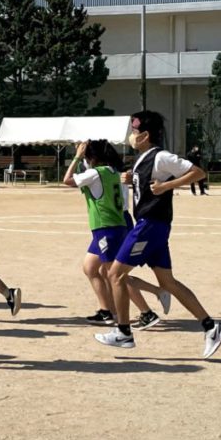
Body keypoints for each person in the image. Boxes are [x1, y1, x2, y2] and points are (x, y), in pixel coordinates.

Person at [96, 111, 221, 358]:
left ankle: (123, 332)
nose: (131, 136)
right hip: (153, 225)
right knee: (167, 283)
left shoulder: (161, 156)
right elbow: (148, 185)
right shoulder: (143, 159)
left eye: (134, 131)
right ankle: (211, 327)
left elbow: (198, 172)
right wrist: (132, 179)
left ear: (145, 135)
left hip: (150, 225)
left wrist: (167, 186)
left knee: (114, 274)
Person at [62, 139, 170, 330]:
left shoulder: (98, 173)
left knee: (114, 274)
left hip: (109, 225)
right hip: (114, 223)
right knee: (90, 268)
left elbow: (68, 180)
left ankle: (147, 310)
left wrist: (77, 156)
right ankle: (107, 310)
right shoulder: (113, 172)